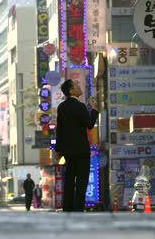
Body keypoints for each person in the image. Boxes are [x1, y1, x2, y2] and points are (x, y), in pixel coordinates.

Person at [56, 79, 99, 212]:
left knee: (69, 180)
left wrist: (58, 150)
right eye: (76, 85)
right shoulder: (79, 106)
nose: (79, 86)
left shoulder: (61, 107)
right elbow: (89, 124)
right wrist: (94, 110)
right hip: (81, 150)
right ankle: (78, 209)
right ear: (71, 91)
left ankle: (67, 208)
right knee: (82, 181)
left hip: (68, 151)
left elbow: (60, 130)